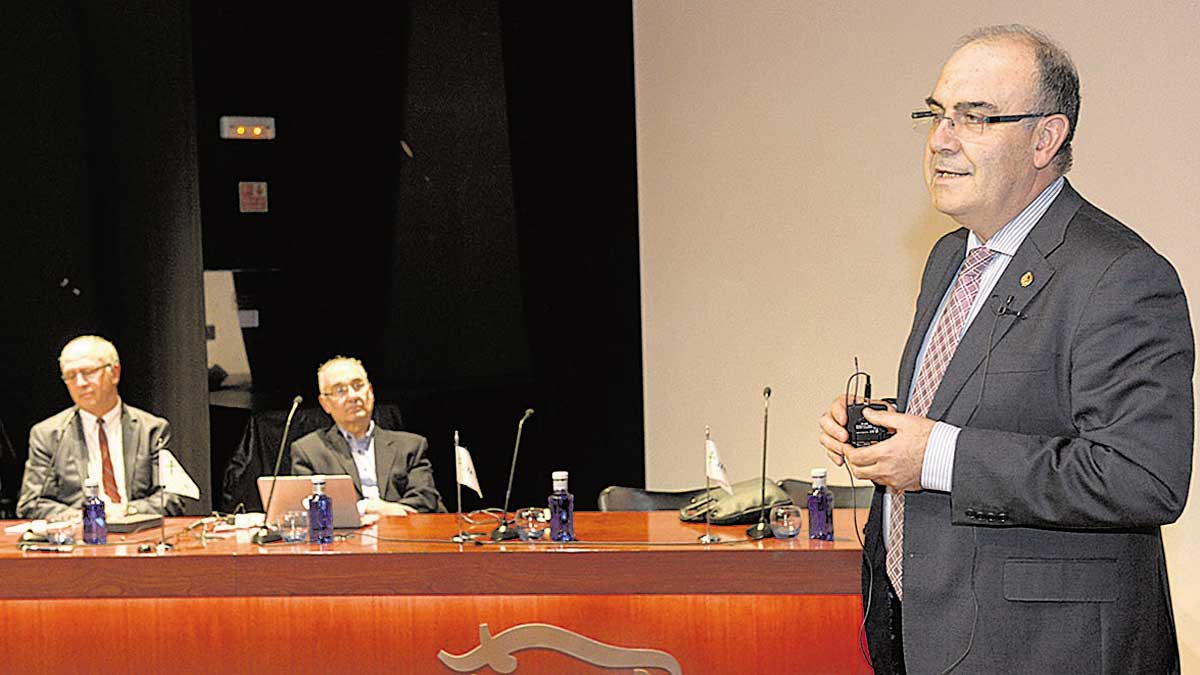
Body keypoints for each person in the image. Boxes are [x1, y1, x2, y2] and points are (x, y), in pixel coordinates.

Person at [818, 25, 1192, 673]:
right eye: (935, 115)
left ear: (1046, 138)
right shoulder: (948, 258)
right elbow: (984, 408)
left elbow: (1142, 477)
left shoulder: (1118, 272)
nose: (941, 139)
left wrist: (935, 454)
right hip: (935, 628)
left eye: (976, 118)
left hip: (1049, 649)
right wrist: (886, 433)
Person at [17, 335, 184, 519]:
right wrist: (90, 517)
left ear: (115, 373)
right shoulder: (48, 434)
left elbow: (172, 498)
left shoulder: (151, 429)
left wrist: (126, 511)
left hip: (139, 535)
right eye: (71, 376)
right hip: (79, 539)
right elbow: (31, 503)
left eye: (88, 372)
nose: (80, 383)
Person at [291, 356, 445, 514]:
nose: (352, 396)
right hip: (344, 537)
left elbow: (425, 499)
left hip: (404, 533)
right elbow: (308, 507)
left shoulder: (410, 446)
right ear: (325, 403)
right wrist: (367, 508)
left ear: (370, 392)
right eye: (340, 390)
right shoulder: (309, 451)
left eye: (358, 386)